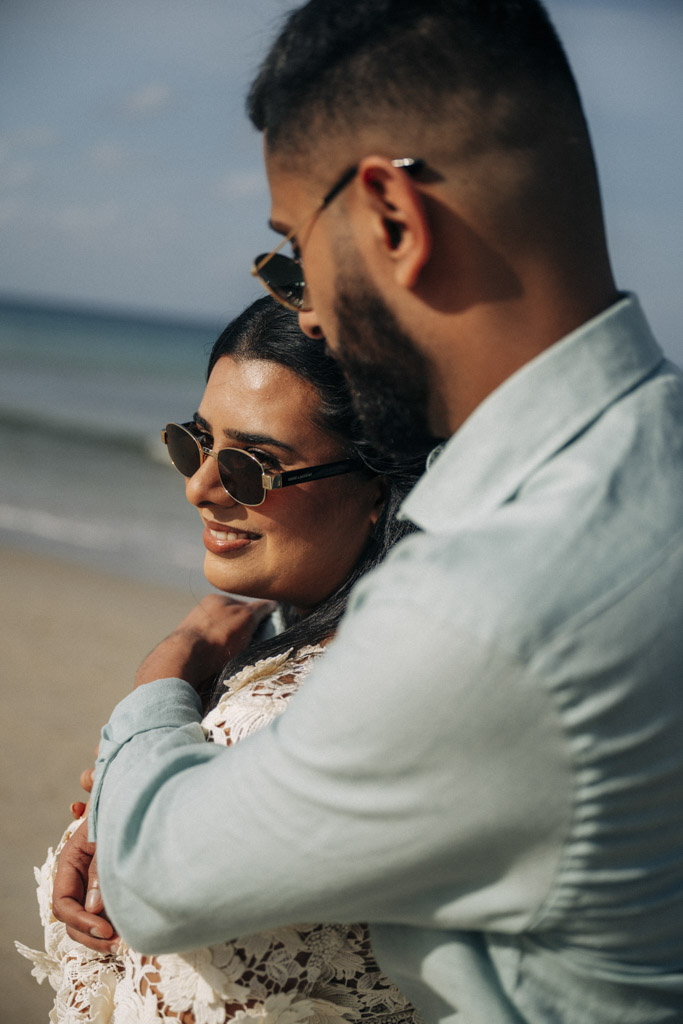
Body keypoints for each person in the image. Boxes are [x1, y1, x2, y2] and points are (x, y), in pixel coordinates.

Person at [53, 2, 683, 1021]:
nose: (305, 315)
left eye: (296, 251)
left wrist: (165, 673)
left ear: (390, 215)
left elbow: (159, 874)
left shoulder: (490, 597)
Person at [16, 296, 429, 1023]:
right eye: (196, 443)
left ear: (376, 487)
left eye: (250, 466)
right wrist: (121, 787)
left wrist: (163, 675)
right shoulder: (291, 642)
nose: (197, 486)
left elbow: (150, 926)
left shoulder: (307, 709)